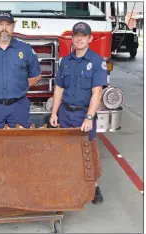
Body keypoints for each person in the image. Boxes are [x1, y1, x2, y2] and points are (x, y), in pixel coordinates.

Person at [49, 22, 107, 205]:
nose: (79, 38)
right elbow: (58, 88)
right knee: (66, 151)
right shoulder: (65, 61)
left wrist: (89, 117)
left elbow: (97, 93)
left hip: (84, 116)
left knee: (88, 151)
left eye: (83, 35)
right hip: (66, 114)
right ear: (72, 39)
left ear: (90, 38)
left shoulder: (97, 62)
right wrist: (54, 113)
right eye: (76, 35)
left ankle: (94, 186)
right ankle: (69, 183)